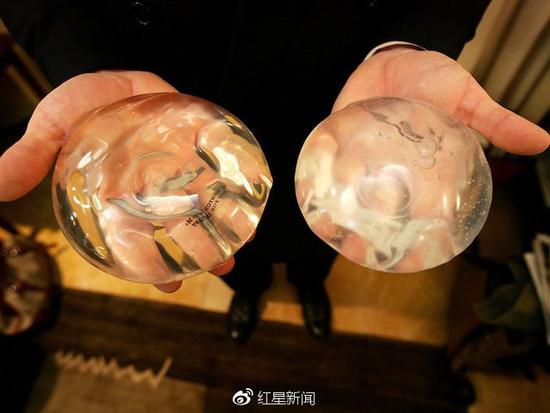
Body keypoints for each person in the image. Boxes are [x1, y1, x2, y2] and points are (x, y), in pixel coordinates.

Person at [0, 1, 548, 343]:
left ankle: (310, 287)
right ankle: (249, 291)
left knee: (332, 236)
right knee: (218, 247)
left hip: (346, 108)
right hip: (169, 118)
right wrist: (89, 64)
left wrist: (409, 38)